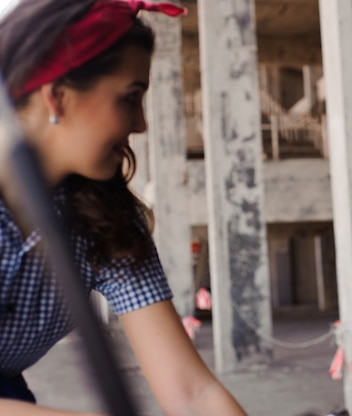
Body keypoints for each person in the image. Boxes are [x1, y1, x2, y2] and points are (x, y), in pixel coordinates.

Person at [0, 0, 248, 415]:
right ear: (57, 96)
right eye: (130, 98)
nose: (141, 125)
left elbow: (191, 393)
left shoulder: (106, 219)